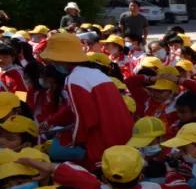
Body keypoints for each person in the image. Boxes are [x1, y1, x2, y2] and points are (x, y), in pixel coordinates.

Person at [39, 32, 133, 165]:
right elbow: (73, 107)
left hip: (102, 141)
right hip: (121, 135)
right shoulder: (94, 73)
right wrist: (51, 121)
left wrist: (73, 141)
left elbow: (85, 119)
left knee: (56, 151)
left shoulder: (74, 79)